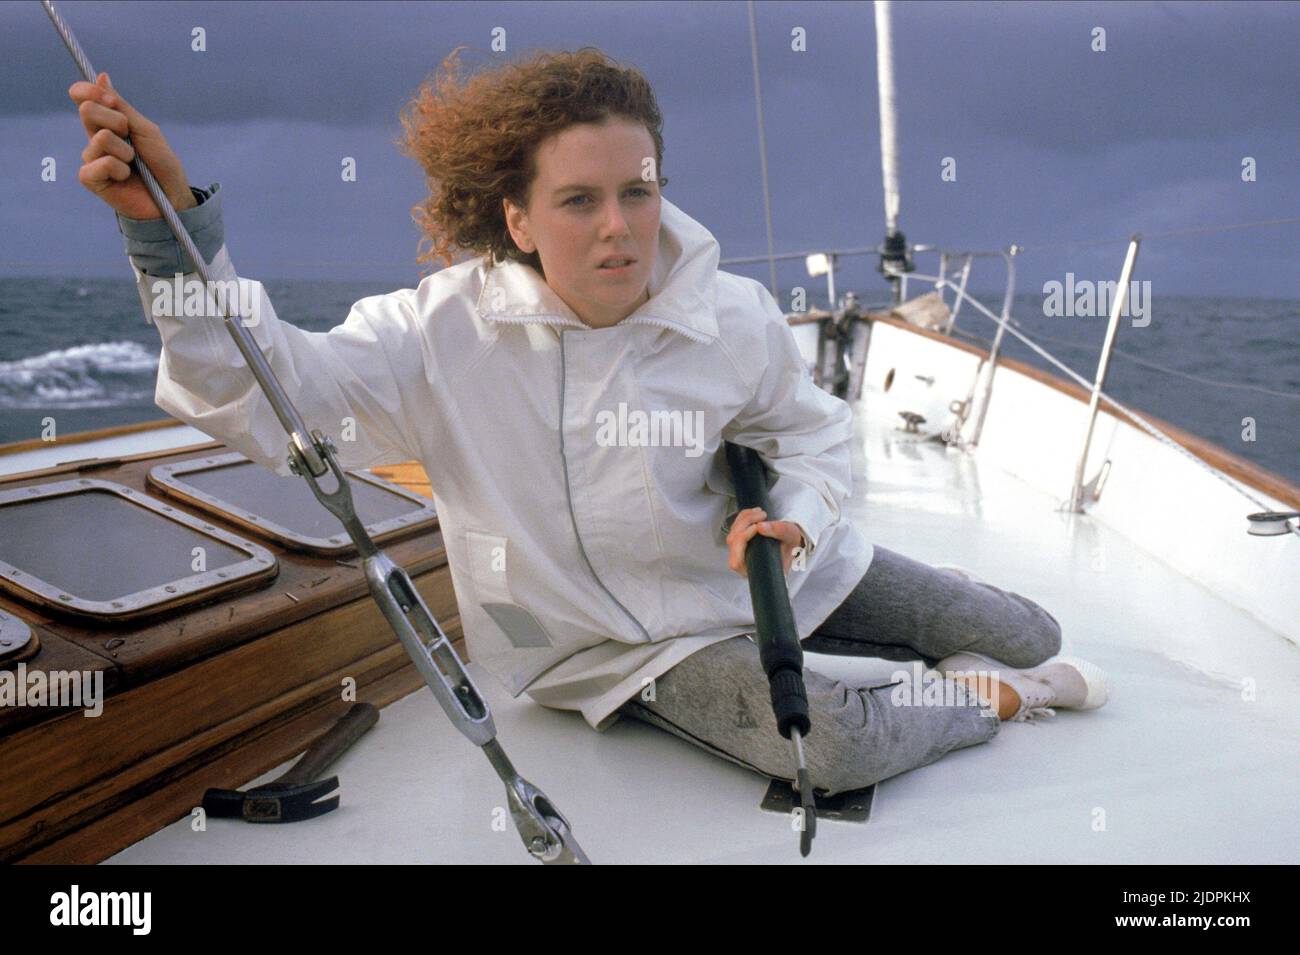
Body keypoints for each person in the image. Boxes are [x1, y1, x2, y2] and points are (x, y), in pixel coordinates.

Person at [68, 47, 1107, 798]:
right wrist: (170, 238)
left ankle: (992, 653)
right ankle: (1004, 701)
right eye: (578, 202)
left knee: (1026, 628)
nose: (620, 227)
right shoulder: (439, 335)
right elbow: (268, 388)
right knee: (827, 747)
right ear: (515, 220)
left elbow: (813, 435)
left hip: (765, 570)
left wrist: (796, 515)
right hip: (616, 643)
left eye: (636, 190)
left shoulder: (729, 313)